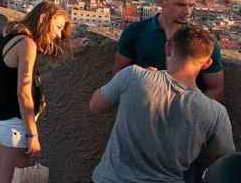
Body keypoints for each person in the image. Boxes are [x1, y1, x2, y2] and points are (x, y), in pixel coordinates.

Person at [90, 25, 235, 183]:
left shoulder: (134, 76)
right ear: (207, 63)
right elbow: (225, 164)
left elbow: (95, 105)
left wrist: (140, 77)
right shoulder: (215, 112)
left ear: (168, 48)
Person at [0, 1, 72, 183]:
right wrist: (33, 134)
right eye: (57, 27)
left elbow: (26, 57)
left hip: (1, 117)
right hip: (15, 124)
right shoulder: (27, 44)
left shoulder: (10, 31)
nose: (58, 34)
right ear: (43, 19)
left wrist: (70, 47)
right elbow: (23, 93)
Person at [115, 0, 225, 101]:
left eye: (191, 6)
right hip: (144, 106)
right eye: (180, 5)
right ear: (160, 1)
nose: (188, 12)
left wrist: (192, 111)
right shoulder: (135, 31)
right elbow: (120, 73)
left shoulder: (203, 41)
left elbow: (215, 88)